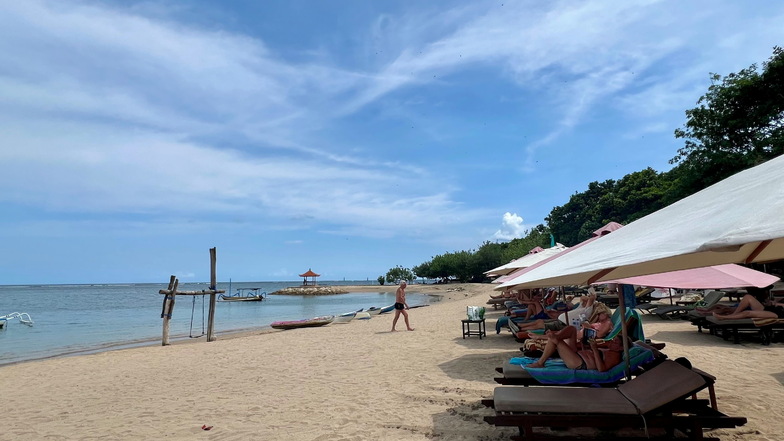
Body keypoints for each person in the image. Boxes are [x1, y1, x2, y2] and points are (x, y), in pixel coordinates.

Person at [525, 331, 625, 372]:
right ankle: (553, 337)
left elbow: (601, 369)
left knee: (555, 340)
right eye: (613, 339)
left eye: (615, 342)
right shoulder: (609, 349)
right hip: (577, 356)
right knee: (571, 329)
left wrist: (594, 350)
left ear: (621, 348)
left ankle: (540, 362)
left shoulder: (615, 356)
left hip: (579, 363)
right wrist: (585, 345)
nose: (612, 342)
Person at [712, 289, 784, 320]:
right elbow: (778, 300)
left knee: (747, 313)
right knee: (748, 297)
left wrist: (779, 304)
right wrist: (772, 302)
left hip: (778, 314)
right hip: (770, 309)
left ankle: (724, 318)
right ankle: (734, 314)